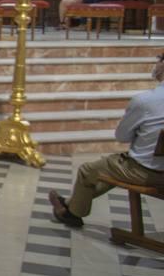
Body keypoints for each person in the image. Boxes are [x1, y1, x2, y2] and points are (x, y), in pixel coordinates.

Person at [49, 53, 164, 227]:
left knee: (87, 171)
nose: (156, 64)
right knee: (108, 170)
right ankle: (70, 204)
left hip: (148, 171)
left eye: (159, 60)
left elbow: (121, 136)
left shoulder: (145, 101)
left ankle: (71, 213)